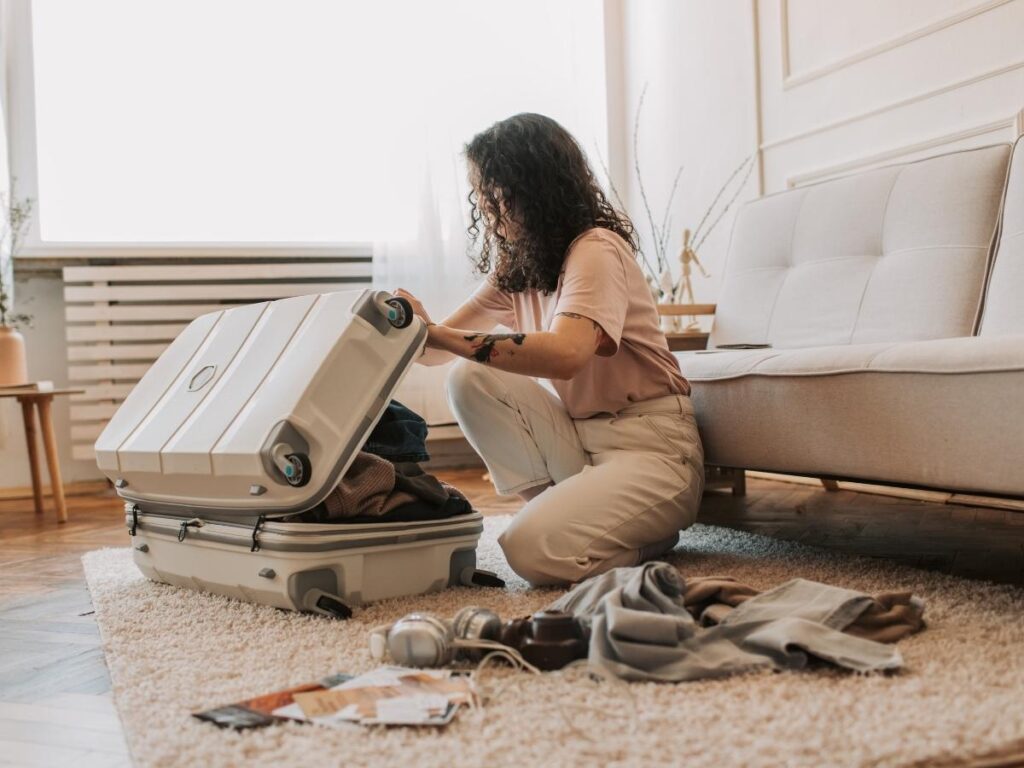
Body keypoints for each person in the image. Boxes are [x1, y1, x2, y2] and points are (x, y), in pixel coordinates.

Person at [395, 113, 703, 586]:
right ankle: (561, 515)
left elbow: (567, 354)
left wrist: (438, 334)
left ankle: (644, 540)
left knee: (530, 552)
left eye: (494, 193)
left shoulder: (597, 248)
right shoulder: (519, 269)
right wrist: (406, 326)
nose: (486, 208)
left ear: (533, 189)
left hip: (651, 446)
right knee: (469, 376)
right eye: (480, 195)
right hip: (579, 440)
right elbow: (436, 352)